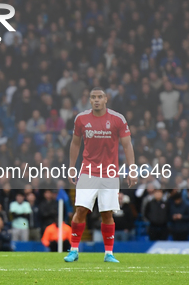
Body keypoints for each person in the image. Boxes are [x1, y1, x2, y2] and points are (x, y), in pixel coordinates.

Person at [64, 88, 136, 264]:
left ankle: (108, 253)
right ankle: (73, 250)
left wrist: (132, 168)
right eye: (93, 97)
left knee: (107, 213)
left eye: (99, 97)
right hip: (88, 172)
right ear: (90, 100)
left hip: (110, 174)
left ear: (106, 99)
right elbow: (75, 143)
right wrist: (72, 167)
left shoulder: (118, 119)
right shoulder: (81, 119)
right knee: (81, 209)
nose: (96, 100)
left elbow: (127, 145)